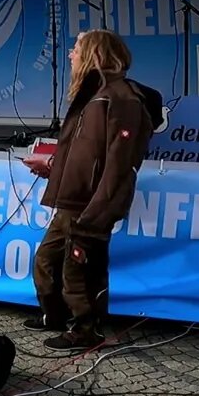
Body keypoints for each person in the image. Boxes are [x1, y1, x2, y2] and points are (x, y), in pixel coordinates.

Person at [21, 29, 157, 351]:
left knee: (80, 268)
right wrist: (53, 169)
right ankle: (54, 316)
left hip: (89, 204)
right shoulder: (92, 96)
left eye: (76, 48)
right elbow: (84, 152)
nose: (70, 54)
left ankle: (85, 331)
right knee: (47, 260)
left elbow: (119, 165)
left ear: (95, 54)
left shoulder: (121, 98)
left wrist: (98, 211)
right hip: (70, 200)